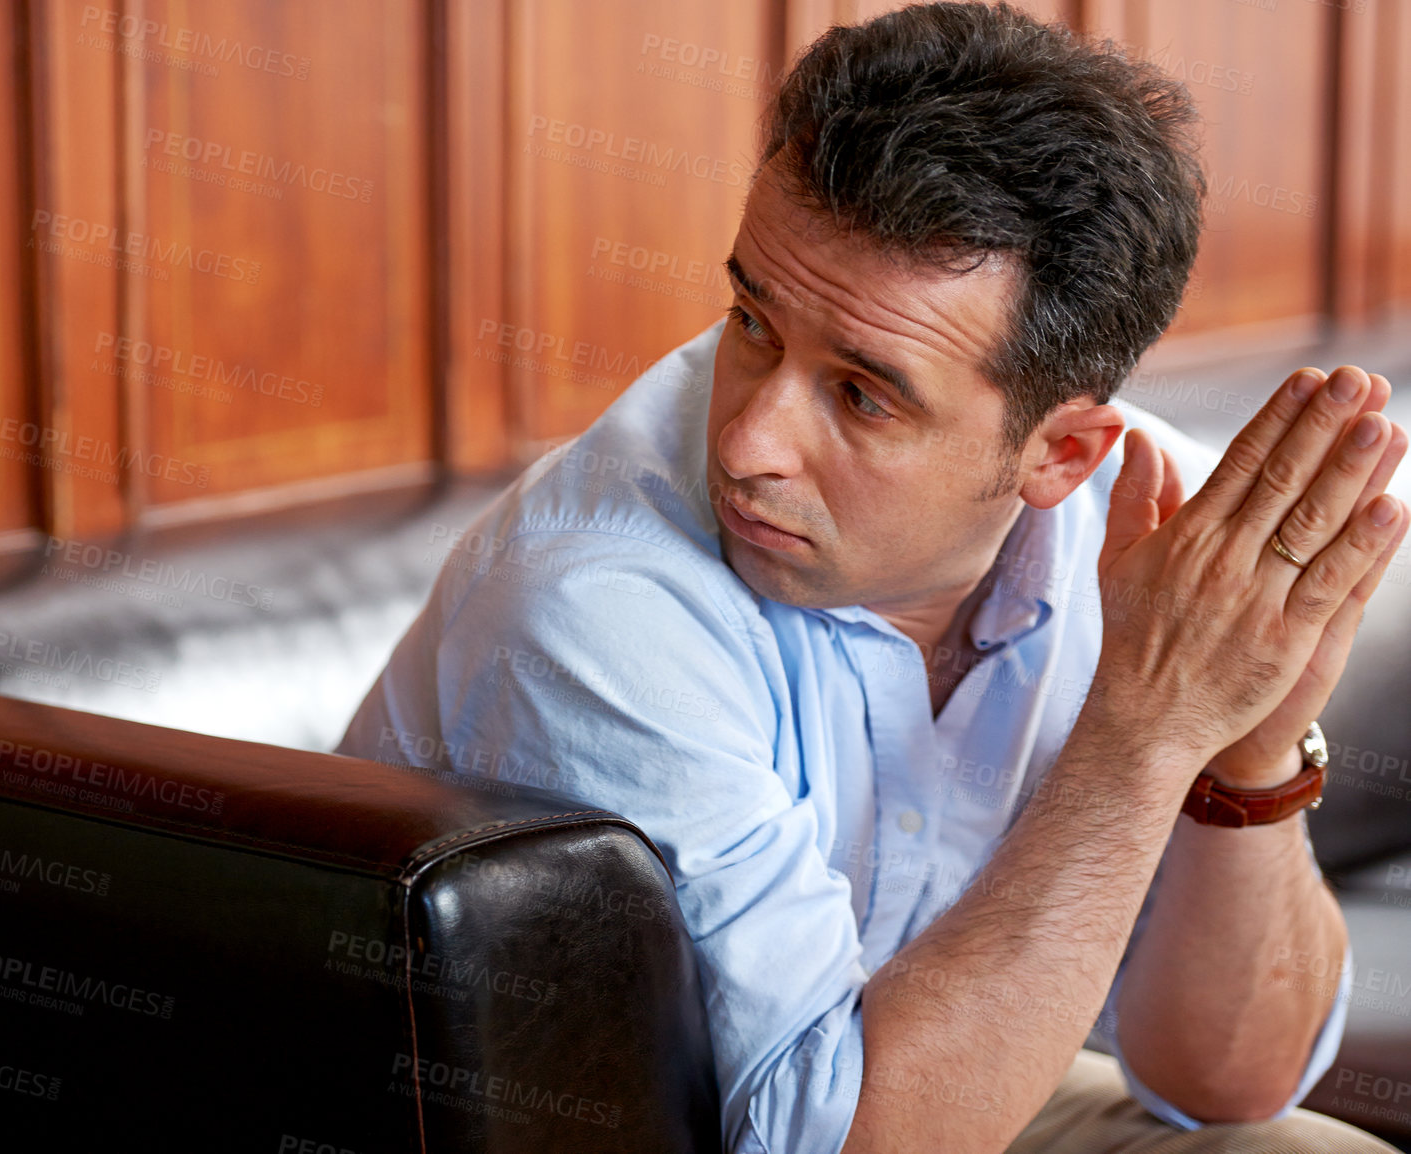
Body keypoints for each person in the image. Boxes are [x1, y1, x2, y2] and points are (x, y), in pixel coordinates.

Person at [338, 4, 1410, 1150]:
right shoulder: (592, 602)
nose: (747, 439)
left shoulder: (1143, 528)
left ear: (1059, 452)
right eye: (752, 318)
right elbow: (831, 1139)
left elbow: (1220, 1084)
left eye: (860, 394)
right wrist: (1140, 732)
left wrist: (1242, 756)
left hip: (906, 1066)